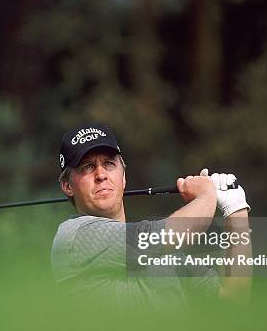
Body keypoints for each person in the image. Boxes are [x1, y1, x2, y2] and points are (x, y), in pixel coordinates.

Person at [51, 123, 251, 309]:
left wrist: (236, 208)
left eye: (109, 163)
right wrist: (207, 194)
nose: (101, 174)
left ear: (124, 177)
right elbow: (167, 235)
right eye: (87, 167)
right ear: (67, 185)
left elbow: (233, 301)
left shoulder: (165, 256)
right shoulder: (74, 236)